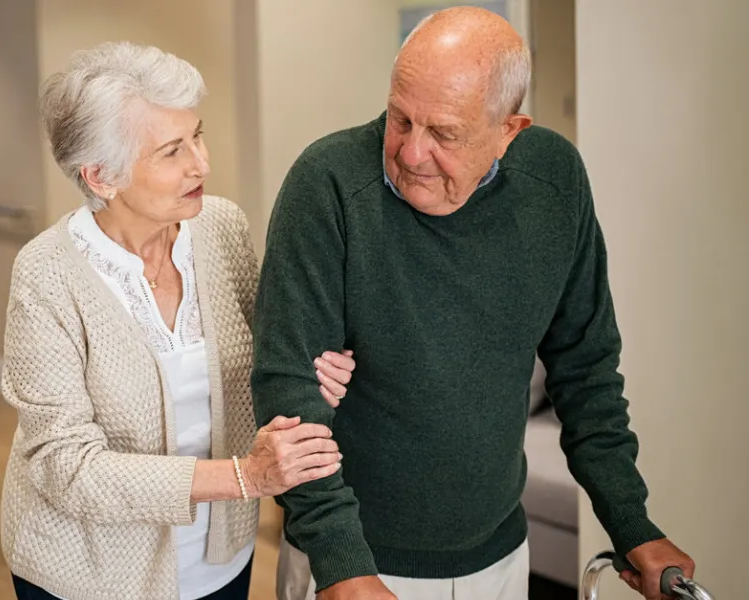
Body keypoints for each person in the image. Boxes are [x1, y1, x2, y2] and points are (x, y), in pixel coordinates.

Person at [251, 7, 696, 600]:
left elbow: (586, 370)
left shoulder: (554, 182)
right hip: (354, 563)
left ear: (510, 131)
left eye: (444, 133)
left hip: (501, 557)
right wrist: (341, 561)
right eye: (400, 118)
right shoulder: (327, 185)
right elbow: (289, 389)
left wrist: (631, 520)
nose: (411, 153)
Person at [0, 41, 354, 600]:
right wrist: (244, 477)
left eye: (198, 134)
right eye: (171, 151)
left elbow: (266, 357)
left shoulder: (221, 227)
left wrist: (312, 369)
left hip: (221, 555)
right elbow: (64, 466)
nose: (202, 163)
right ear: (101, 176)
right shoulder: (46, 275)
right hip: (90, 572)